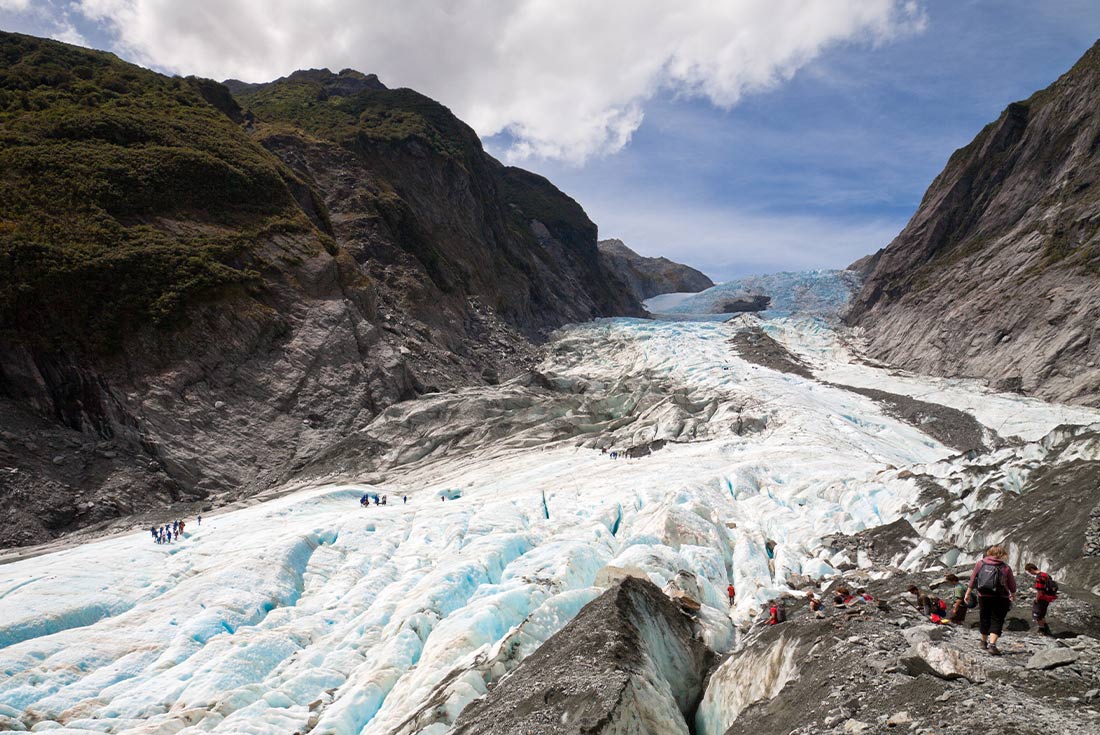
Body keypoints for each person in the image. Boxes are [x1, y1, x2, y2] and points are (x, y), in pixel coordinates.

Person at [966, 545, 1017, 655]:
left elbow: (973, 578)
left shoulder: (980, 563)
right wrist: (1012, 594)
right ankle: (992, 645)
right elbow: (1011, 583)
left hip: (983, 596)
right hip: (1000, 597)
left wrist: (968, 592)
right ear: (1002, 555)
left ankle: (983, 642)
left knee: (984, 617)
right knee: (997, 619)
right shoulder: (1005, 567)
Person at [1024, 563, 1058, 636]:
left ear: (1032, 569)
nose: (1030, 573)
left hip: (1042, 597)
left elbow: (1039, 591)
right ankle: (1045, 628)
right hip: (1049, 597)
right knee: (1043, 612)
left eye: (1029, 571)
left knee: (1038, 614)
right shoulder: (1045, 575)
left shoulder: (1039, 578)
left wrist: (1036, 599)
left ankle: (1042, 630)